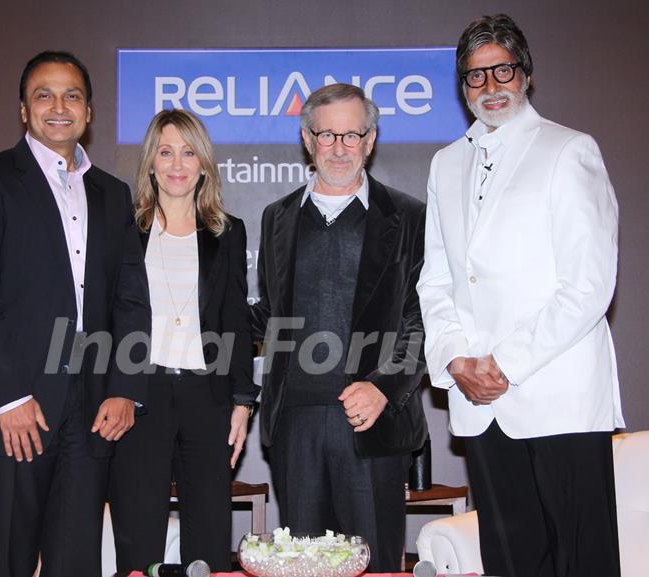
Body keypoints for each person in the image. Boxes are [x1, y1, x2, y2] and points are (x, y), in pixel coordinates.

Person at [417, 14, 624, 577]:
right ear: (462, 88)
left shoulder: (569, 150)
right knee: (510, 562)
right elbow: (436, 279)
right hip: (481, 404)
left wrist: (503, 364)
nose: (490, 87)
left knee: (582, 560)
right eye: (474, 77)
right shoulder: (445, 163)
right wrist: (457, 359)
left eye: (501, 70)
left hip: (556, 395)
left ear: (525, 74)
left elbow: (588, 285)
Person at [0, 51, 151, 576]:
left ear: (90, 111)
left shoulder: (112, 193)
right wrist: (7, 397)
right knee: (3, 563)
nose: (59, 106)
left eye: (72, 95)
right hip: (16, 408)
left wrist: (124, 386)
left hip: (92, 412)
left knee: (77, 562)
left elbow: (130, 299)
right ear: (23, 110)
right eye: (44, 94)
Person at [251, 83, 427, 572]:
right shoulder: (278, 218)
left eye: (352, 135)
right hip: (294, 425)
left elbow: (423, 320)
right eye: (327, 135)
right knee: (304, 567)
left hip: (370, 421)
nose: (339, 148)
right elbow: (271, 313)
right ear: (308, 139)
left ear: (370, 140)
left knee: (376, 565)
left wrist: (384, 388)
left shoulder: (409, 217)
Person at [109, 109, 259, 572]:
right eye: (166, 151)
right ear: (150, 162)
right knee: (139, 534)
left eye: (188, 152)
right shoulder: (121, 230)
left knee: (211, 538)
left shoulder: (227, 232)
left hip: (206, 398)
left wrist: (241, 400)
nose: (177, 163)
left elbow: (236, 319)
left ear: (203, 163)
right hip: (140, 397)